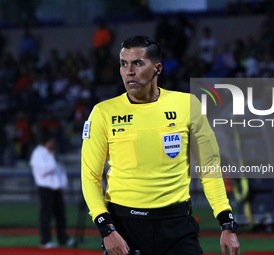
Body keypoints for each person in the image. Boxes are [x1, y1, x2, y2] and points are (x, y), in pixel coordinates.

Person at [81, 36, 240, 255]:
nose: (129, 71)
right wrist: (106, 228)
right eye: (123, 63)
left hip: (177, 226)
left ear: (157, 68)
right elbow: (90, 176)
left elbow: (209, 167)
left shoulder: (188, 105)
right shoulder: (103, 113)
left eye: (137, 63)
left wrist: (226, 223)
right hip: (125, 228)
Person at [30, 131, 72, 248]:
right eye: (50, 141)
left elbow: (59, 170)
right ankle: (45, 240)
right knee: (46, 215)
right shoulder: (38, 153)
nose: (53, 143)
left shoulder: (51, 153)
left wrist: (62, 183)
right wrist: (51, 157)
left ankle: (63, 238)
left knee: (61, 215)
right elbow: (43, 171)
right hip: (45, 188)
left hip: (56, 188)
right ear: (45, 142)